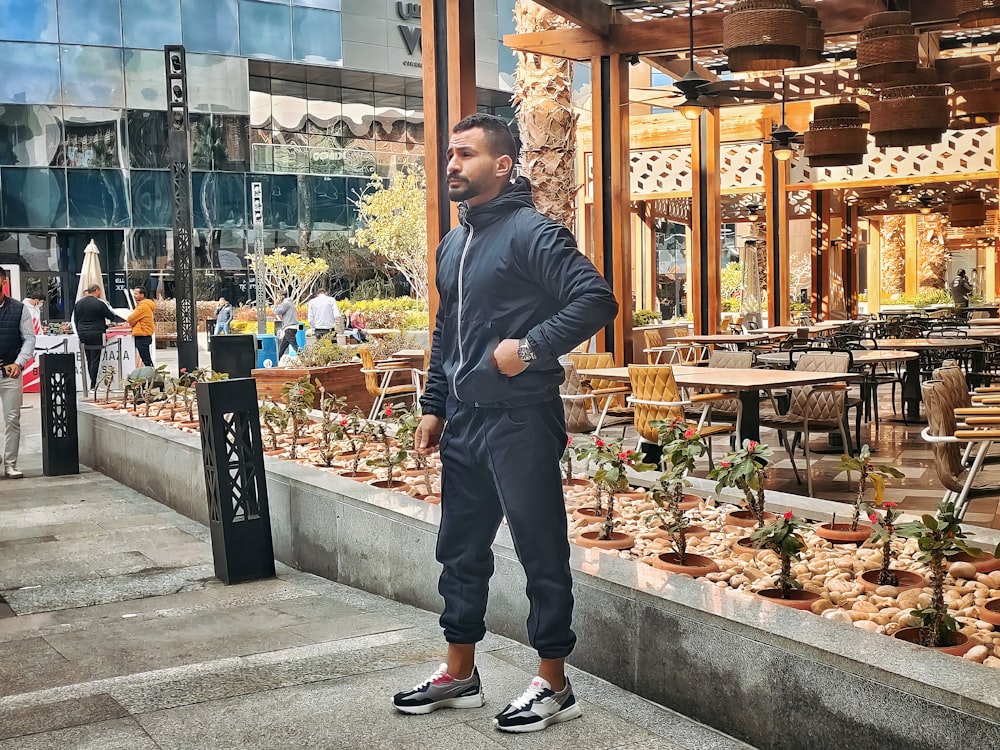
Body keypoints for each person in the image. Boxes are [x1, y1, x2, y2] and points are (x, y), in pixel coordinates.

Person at [392, 114, 618, 732]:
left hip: (520, 421)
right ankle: (459, 672)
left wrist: (532, 348)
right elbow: (447, 332)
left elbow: (596, 299)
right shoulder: (453, 242)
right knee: (460, 551)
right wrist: (435, 405)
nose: (452, 165)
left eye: (465, 155)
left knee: (539, 549)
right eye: (450, 156)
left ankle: (554, 682)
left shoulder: (532, 234)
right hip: (464, 422)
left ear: (503, 165)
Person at [0, 266, 36, 478]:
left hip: (10, 373)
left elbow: (29, 338)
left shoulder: (18, 308)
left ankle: (10, 464)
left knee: (12, 419)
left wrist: (19, 363)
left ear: (4, 281)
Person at [73, 285, 126, 393]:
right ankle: (93, 385)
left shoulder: (78, 303)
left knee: (88, 359)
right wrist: (123, 320)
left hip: (83, 333)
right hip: (96, 332)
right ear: (97, 290)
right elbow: (111, 316)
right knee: (96, 359)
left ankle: (91, 384)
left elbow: (75, 320)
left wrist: (79, 334)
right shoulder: (99, 303)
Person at [127, 287, 156, 367]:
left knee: (146, 359)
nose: (134, 296)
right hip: (144, 334)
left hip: (142, 334)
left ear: (142, 295)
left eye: (136, 294)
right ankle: (151, 374)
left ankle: (152, 375)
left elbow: (131, 319)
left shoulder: (142, 306)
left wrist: (132, 323)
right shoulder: (144, 305)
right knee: (146, 358)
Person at [272, 293, 299, 359]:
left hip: (289, 327)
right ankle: (278, 359)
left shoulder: (286, 304)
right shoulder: (290, 303)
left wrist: (276, 304)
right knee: (283, 346)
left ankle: (304, 357)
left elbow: (277, 312)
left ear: (281, 297)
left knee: (295, 346)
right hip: (291, 327)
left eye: (277, 297)